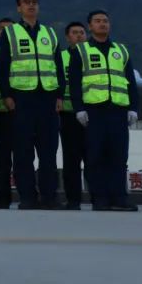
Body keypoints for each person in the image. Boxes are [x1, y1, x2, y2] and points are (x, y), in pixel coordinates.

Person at [0, 0, 64, 209]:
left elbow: (57, 67)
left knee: (48, 152)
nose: (31, 6)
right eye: (26, 2)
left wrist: (60, 94)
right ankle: (27, 197)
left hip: (47, 98)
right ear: (19, 8)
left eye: (34, 2)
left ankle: (49, 197)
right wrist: (7, 95)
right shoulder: (11, 33)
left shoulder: (50, 34)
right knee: (23, 152)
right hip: (22, 99)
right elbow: (3, 65)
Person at [70, 10, 140, 212]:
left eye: (106, 21)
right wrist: (79, 109)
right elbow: (74, 83)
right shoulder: (81, 51)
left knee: (119, 157)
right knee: (95, 157)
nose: (102, 24)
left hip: (118, 111)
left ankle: (120, 198)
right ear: (90, 26)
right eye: (98, 21)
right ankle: (99, 198)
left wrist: (134, 108)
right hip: (94, 112)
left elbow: (131, 83)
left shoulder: (121, 51)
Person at [59, 21, 88, 210]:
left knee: (94, 157)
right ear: (67, 37)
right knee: (71, 159)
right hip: (68, 114)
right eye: (74, 33)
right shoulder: (59, 57)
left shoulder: (93, 55)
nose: (78, 36)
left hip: (91, 114)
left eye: (81, 32)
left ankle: (99, 198)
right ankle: (73, 200)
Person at [0, 17, 15, 208]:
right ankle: (2, 197)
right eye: (1, 30)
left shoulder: (25, 55)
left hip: (22, 112)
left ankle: (28, 195)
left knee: (25, 157)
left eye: (9, 30)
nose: (5, 33)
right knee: (2, 158)